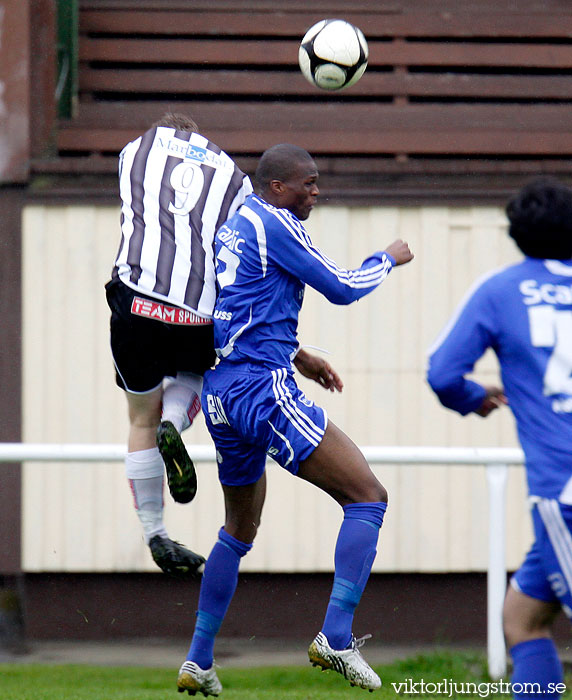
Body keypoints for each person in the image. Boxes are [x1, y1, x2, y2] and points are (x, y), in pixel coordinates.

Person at [176, 143, 414, 696]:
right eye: (307, 183)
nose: (316, 191)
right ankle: (335, 635)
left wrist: (297, 352)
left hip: (222, 394)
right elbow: (343, 287)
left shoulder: (237, 225)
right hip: (262, 390)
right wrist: (388, 258)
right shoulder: (279, 224)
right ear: (277, 187)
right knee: (367, 496)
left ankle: (198, 659)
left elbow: (239, 305)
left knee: (238, 529)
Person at [426, 177, 572, 699]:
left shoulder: (502, 289)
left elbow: (443, 373)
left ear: (516, 234)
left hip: (565, 493)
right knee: (522, 618)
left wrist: (475, 398)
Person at [105, 112, 253, 578]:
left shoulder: (134, 153)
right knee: (196, 372)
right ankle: (176, 421)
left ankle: (154, 532)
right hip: (196, 312)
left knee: (138, 419)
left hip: (136, 301)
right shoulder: (234, 176)